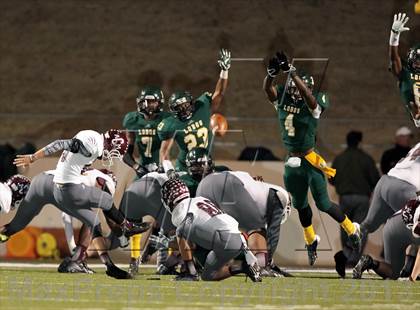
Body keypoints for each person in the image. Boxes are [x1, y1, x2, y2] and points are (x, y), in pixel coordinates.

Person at [1, 129, 150, 279]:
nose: (111, 156)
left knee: (14, 226)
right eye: (114, 151)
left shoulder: (90, 149)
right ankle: (124, 228)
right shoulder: (103, 176)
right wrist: (120, 235)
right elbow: (109, 219)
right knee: (103, 205)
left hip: (42, 182)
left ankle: (79, 259)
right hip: (66, 190)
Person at [263, 50, 361, 266]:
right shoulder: (282, 97)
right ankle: (310, 240)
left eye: (298, 88)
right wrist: (271, 74)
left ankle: (352, 229)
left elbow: (309, 99)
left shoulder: (314, 102)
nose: (295, 92)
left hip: (310, 161)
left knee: (324, 204)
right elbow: (268, 90)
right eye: (293, 87)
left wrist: (293, 74)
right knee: (300, 205)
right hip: (291, 162)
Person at [161, 178, 262, 282]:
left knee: (181, 231)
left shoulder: (181, 208)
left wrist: (164, 242)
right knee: (208, 276)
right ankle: (242, 267)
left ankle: (190, 273)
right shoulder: (199, 199)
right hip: (237, 239)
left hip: (223, 239)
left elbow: (188, 235)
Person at [196, 170, 291, 276]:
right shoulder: (281, 196)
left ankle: (199, 264)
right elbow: (273, 233)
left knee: (205, 227)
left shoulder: (256, 189)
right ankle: (263, 266)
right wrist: (268, 263)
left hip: (205, 183)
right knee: (257, 231)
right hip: (229, 185)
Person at [157, 49, 230, 172]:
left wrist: (224, 71)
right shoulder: (170, 124)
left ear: (191, 102)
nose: (184, 109)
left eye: (185, 105)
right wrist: (169, 170)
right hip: (185, 167)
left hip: (205, 163)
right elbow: (164, 151)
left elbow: (220, 93)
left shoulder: (202, 107)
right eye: (179, 107)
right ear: (173, 110)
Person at [330, 131, 380, 276]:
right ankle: (353, 258)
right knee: (361, 228)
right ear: (359, 141)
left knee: (345, 226)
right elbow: (375, 179)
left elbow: (332, 178)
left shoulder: (339, 158)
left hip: (344, 197)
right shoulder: (366, 159)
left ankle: (345, 257)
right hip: (362, 198)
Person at [353, 198, 420, 280]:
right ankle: (408, 270)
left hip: (392, 224)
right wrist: (412, 277)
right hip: (406, 224)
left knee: (393, 272)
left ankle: (370, 263)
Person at [388, 12, 420, 127]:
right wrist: (394, 36)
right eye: (416, 59)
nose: (417, 62)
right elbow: (394, 58)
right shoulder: (405, 72)